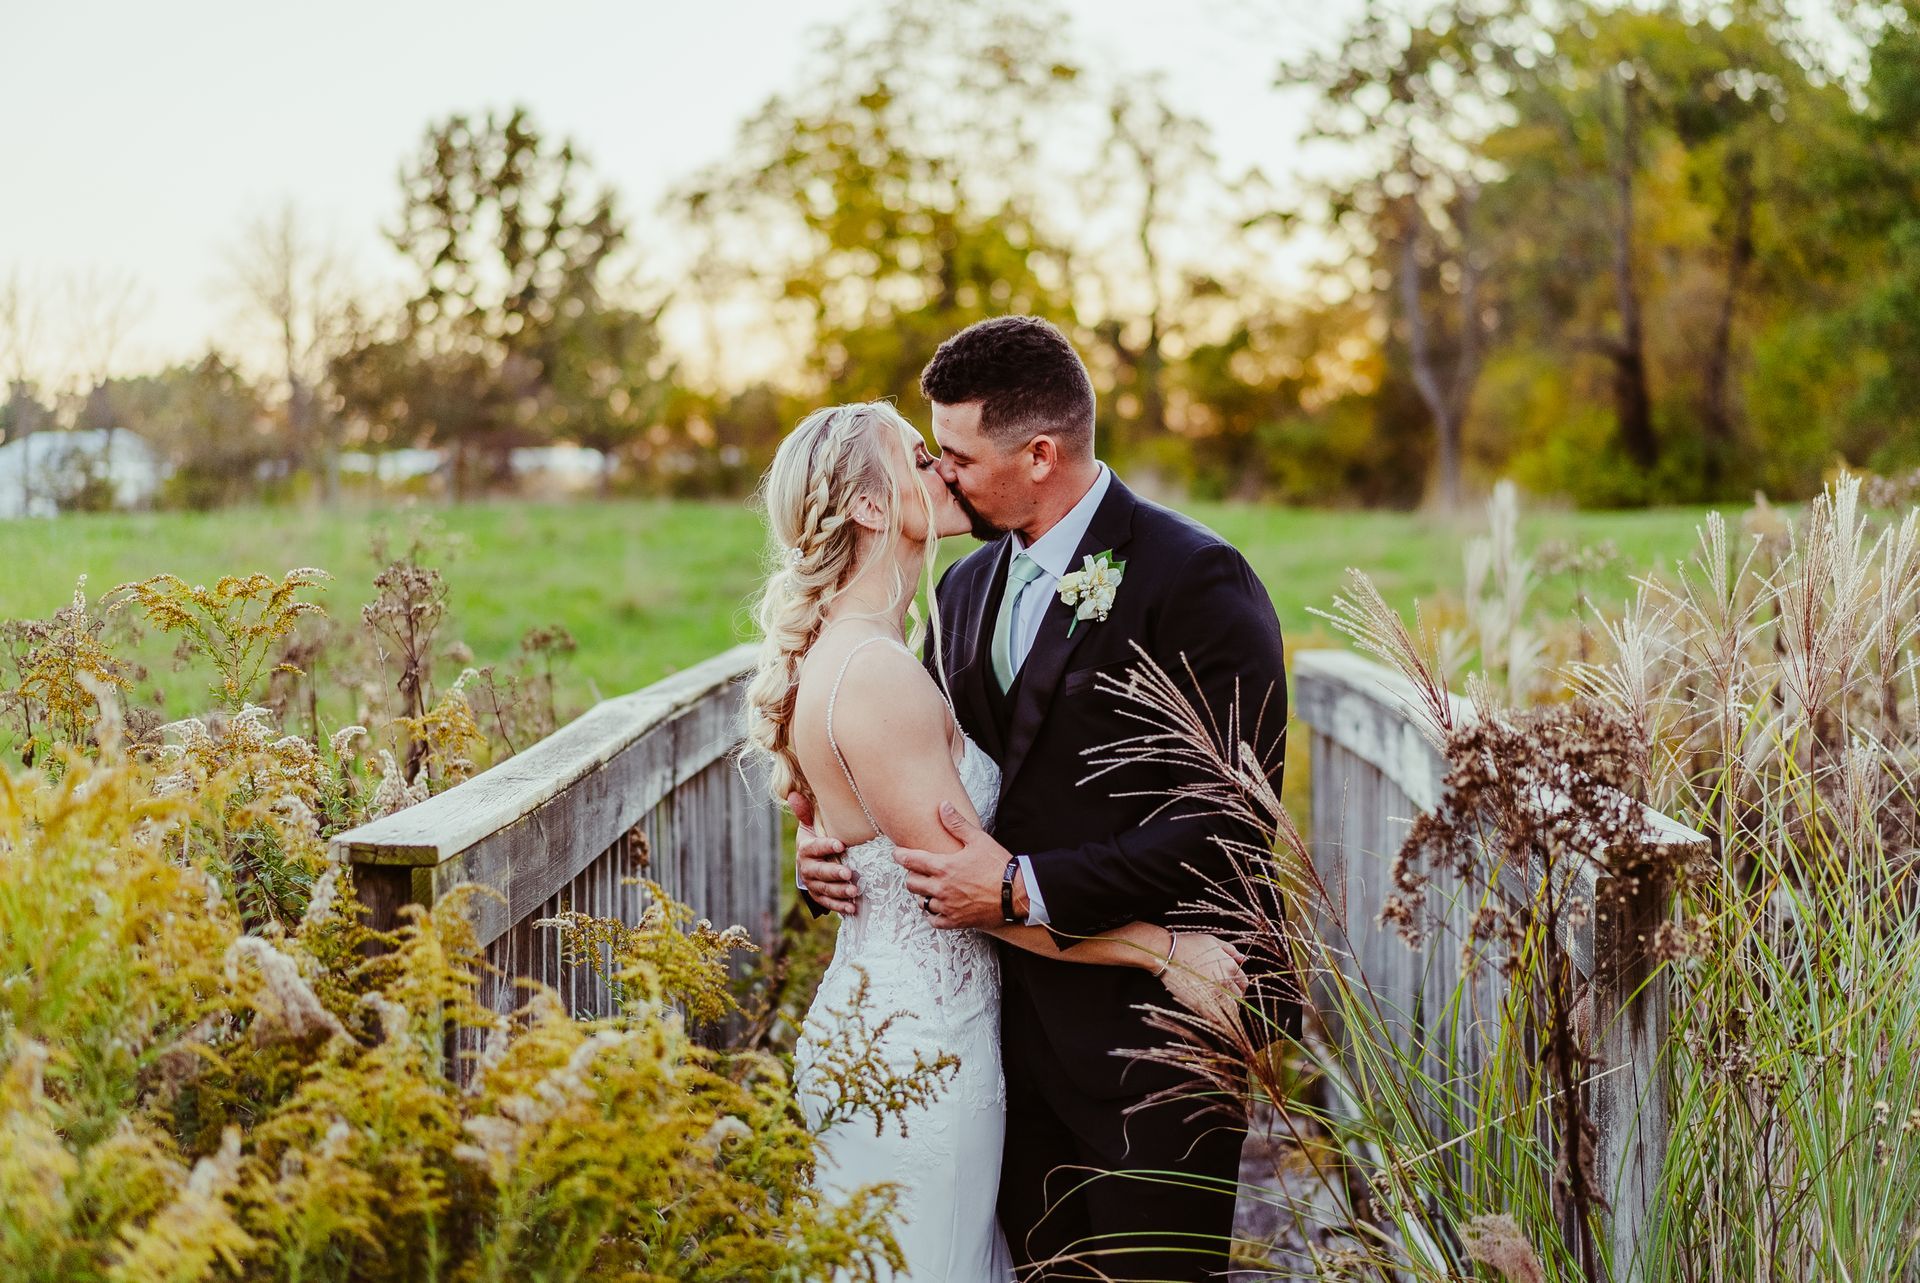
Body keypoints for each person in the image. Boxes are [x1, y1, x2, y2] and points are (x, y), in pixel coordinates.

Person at [796, 316, 1295, 1282]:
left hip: (1152, 1027)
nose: (940, 475)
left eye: (955, 455)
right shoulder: (965, 587)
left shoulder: (1193, 578)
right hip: (1001, 1033)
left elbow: (1229, 819)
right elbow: (919, 776)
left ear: (1038, 453)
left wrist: (1026, 885)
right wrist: (840, 848)